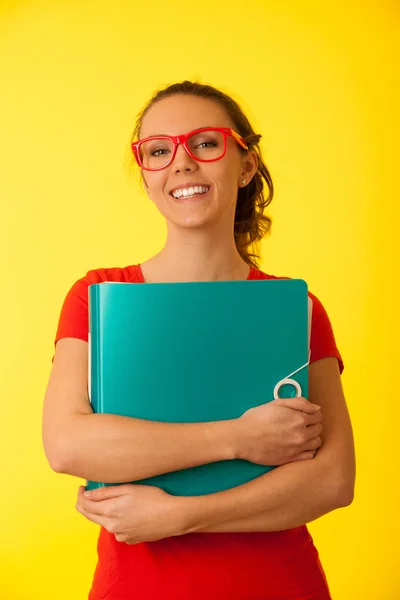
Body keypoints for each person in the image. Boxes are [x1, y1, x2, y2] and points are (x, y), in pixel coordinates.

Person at [42, 80, 355, 600]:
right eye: (159, 151)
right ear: (146, 176)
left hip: (278, 585)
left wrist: (180, 515)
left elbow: (333, 481)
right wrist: (239, 438)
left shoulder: (297, 307)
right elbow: (69, 445)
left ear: (247, 164)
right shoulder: (98, 297)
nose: (181, 163)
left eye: (205, 142)